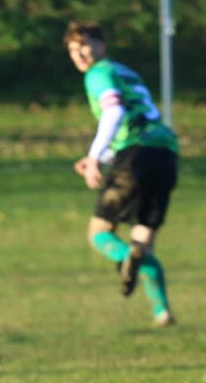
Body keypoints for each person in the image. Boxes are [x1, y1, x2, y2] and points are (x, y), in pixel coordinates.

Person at [65, 21, 178, 326]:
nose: (79, 55)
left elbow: (114, 112)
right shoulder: (126, 72)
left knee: (100, 233)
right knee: (144, 234)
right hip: (166, 153)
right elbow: (134, 120)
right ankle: (161, 312)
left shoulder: (98, 73)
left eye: (84, 46)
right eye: (73, 50)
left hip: (135, 156)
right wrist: (103, 155)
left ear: (101, 45)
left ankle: (128, 258)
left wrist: (94, 157)